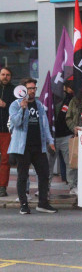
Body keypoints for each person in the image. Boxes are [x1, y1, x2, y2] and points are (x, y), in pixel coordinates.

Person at [8, 78, 57, 214]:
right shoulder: (15, 105)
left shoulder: (39, 105)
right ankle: (24, 204)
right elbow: (16, 123)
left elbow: (45, 124)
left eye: (34, 88)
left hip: (38, 145)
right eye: (29, 88)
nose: (32, 91)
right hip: (22, 147)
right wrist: (23, 109)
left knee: (44, 174)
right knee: (23, 176)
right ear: (23, 90)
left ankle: (43, 203)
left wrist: (50, 141)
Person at [50, 80, 74, 192]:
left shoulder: (72, 99)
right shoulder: (50, 98)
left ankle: (72, 186)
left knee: (70, 163)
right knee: (49, 164)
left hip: (66, 135)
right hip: (52, 136)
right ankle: (45, 187)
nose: (71, 89)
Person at [0, 67, 15, 197]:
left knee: (6, 159)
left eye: (8, 75)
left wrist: (5, 105)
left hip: (7, 131)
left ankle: (2, 187)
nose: (5, 77)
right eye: (3, 74)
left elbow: (17, 107)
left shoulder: (14, 91)